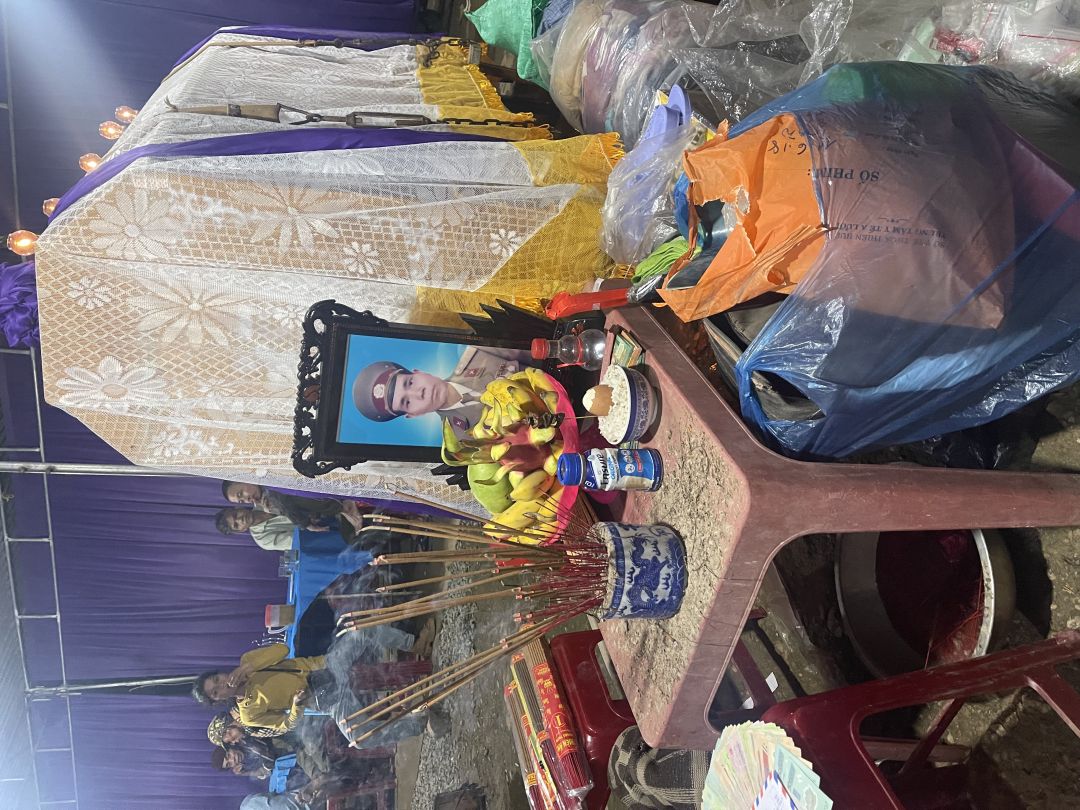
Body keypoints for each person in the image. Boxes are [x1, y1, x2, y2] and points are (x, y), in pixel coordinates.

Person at [351, 346, 529, 438]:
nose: (418, 393)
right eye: (407, 402)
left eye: (410, 382)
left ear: (419, 372)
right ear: (413, 414)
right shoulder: (463, 439)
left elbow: (539, 351)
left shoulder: (478, 354)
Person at [193, 643, 325, 735]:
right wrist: (297, 705)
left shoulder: (247, 660)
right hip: (318, 696)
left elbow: (283, 649)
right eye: (215, 692)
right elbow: (287, 724)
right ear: (218, 700)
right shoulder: (248, 715)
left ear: (220, 673)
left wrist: (249, 667)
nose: (221, 685)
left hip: (318, 666)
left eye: (216, 679)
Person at [221, 482, 369, 534]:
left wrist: (306, 524)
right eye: (241, 500)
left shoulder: (269, 484)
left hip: (337, 494)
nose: (246, 499)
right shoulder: (264, 503)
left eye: (241, 493)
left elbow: (286, 503)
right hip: (331, 509)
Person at [214, 506, 303, 552]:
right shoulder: (263, 540)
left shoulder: (261, 499)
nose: (240, 520)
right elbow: (298, 541)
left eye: (235, 515)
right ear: (241, 530)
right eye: (236, 525)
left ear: (238, 508)